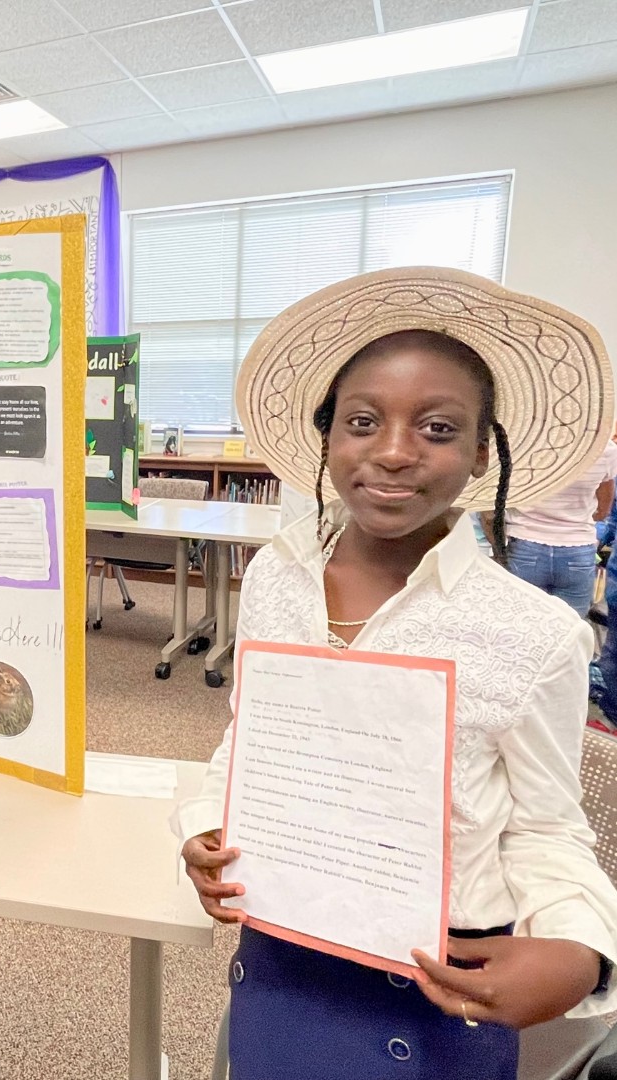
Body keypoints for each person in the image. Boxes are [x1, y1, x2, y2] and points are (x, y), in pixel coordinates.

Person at [179, 267, 617, 1080]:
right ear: (327, 437)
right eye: (362, 421)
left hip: (438, 982)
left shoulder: (533, 634)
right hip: (284, 950)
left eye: (438, 429)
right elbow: (249, 735)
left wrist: (578, 950)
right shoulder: (276, 577)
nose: (392, 451)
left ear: (481, 453)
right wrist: (207, 822)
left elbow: (549, 828)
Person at [486, 441, 617, 616]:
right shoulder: (604, 448)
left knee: (521, 621)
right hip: (577, 550)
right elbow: (603, 510)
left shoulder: (521, 443)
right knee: (570, 625)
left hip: (524, 545)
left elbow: (492, 507)